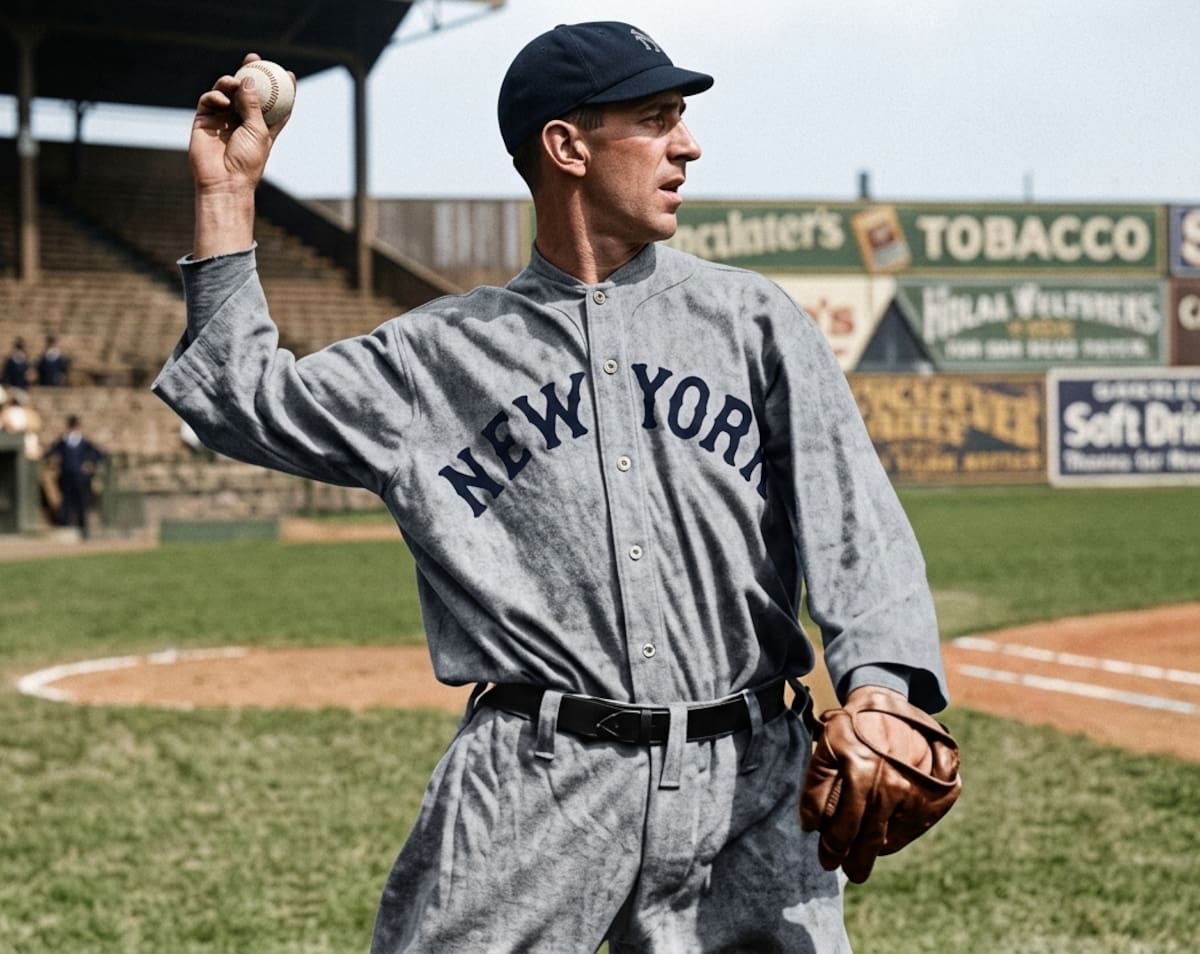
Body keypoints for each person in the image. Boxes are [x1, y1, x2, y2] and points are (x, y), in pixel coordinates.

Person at [154, 24, 952, 953]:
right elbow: (236, 398)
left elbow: (855, 524)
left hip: (751, 786)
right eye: (655, 120)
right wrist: (227, 191)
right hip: (536, 785)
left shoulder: (754, 322)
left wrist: (885, 687)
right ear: (567, 147)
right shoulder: (438, 356)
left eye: (681, 120)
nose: (686, 146)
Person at [43, 415, 105, 538]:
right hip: (66, 476)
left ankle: (83, 528)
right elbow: (48, 452)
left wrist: (90, 464)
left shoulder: (84, 442)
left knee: (82, 501)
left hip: (81, 477)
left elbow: (99, 454)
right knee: (66, 502)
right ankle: (66, 526)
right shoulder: (63, 441)